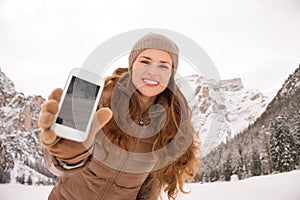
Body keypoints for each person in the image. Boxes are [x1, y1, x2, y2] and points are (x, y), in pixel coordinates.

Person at [38, 33, 200, 200]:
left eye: (164, 66)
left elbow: (149, 186)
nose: (152, 71)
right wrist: (68, 156)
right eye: (144, 62)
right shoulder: (102, 100)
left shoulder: (170, 124)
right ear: (131, 65)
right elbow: (55, 166)